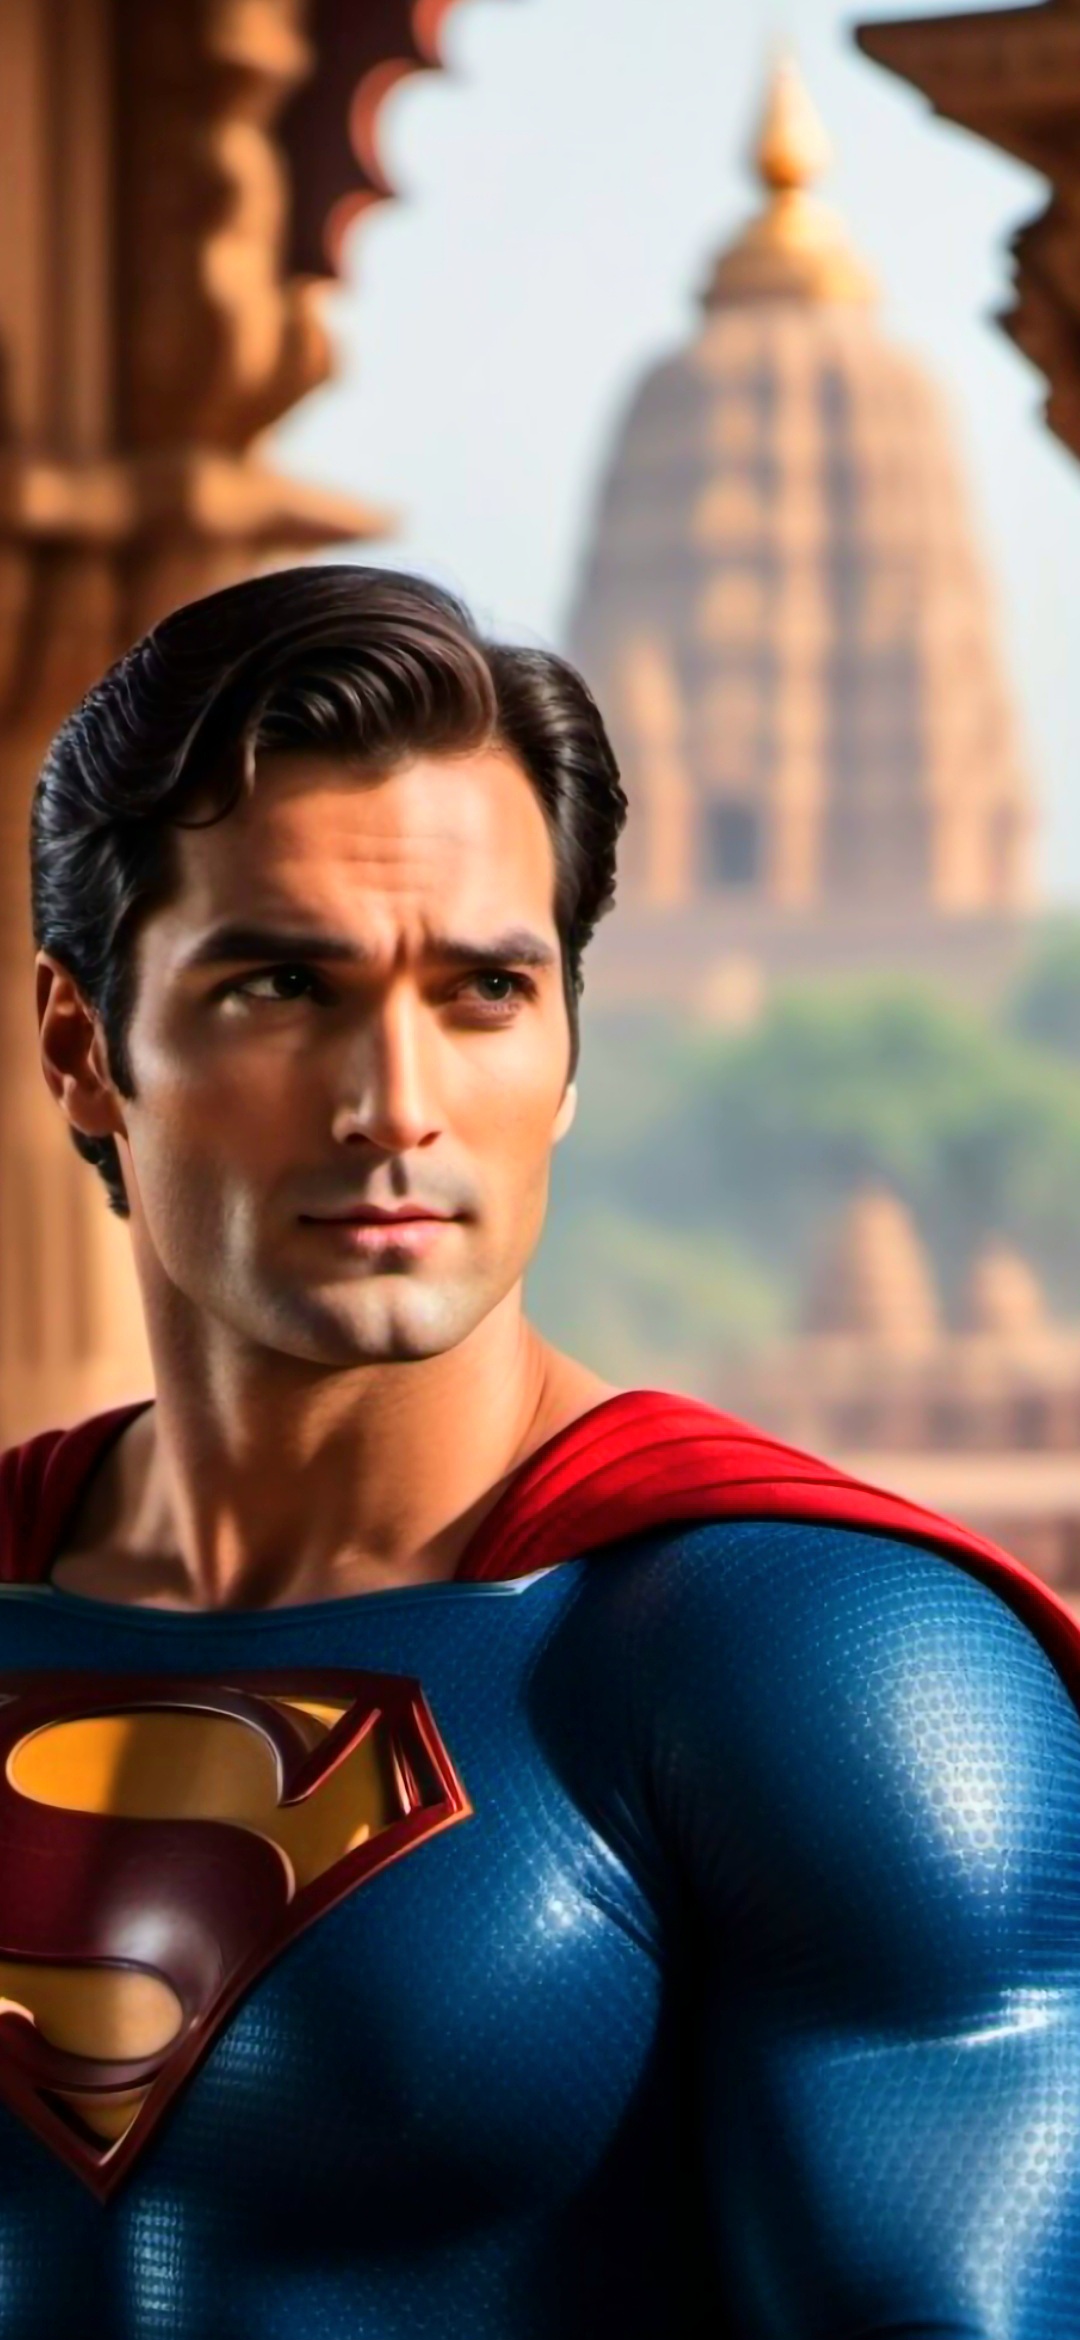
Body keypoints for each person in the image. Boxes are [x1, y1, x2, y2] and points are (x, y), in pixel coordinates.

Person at [0, 562, 1077, 2338]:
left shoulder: (824, 1671)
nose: (394, 1104)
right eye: (283, 984)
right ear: (82, 1049)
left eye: (484, 990)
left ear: (569, 1049)